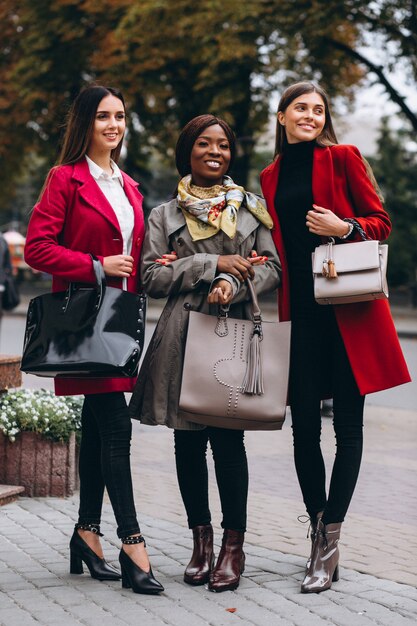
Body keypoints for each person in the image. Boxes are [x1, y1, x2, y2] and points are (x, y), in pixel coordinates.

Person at [260, 81, 411, 593]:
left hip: (347, 315)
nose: (311, 115)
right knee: (303, 431)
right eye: (300, 108)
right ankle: (316, 531)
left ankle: (329, 543)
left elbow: (381, 222)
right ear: (281, 117)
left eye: (319, 109)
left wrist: (343, 227)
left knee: (347, 428)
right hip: (299, 314)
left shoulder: (343, 157)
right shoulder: (270, 175)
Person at [129, 114, 281, 592]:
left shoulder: (252, 209)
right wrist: (208, 262)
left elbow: (271, 268)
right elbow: (150, 277)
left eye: (223, 145)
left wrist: (231, 282)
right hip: (180, 338)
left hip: (231, 334)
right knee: (187, 443)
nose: (215, 152)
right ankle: (201, 542)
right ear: (187, 152)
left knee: (229, 443)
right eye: (204, 144)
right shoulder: (165, 214)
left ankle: (233, 548)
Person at [24, 85, 163, 595]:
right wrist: (94, 266)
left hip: (118, 326)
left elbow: (134, 255)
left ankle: (86, 533)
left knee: (100, 424)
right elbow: (38, 248)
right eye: (103, 116)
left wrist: (154, 268)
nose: (113, 124)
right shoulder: (65, 179)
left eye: (120, 116)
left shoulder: (129, 187)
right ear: (84, 123)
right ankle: (133, 543)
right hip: (85, 325)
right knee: (114, 429)